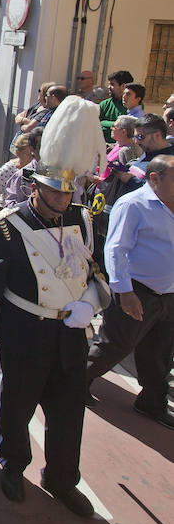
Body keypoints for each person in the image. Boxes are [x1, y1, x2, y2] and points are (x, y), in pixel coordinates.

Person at [0, 96, 109, 517]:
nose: (62, 200)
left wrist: (90, 303)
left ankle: (63, 478)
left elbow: (100, 276)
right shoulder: (8, 227)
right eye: (53, 191)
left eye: (68, 193)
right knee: (17, 406)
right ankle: (14, 465)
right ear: (36, 187)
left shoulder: (84, 219)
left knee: (69, 413)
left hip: (70, 335)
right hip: (24, 331)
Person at [85, 154, 174, 429]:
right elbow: (116, 249)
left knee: (160, 353)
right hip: (137, 291)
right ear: (155, 178)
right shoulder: (134, 205)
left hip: (169, 295)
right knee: (115, 345)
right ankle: (74, 381)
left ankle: (151, 402)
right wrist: (125, 292)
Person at [0, 134, 34, 216]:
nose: (32, 159)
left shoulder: (36, 169)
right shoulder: (8, 169)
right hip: (8, 214)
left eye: (33, 155)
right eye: (28, 155)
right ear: (18, 153)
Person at [99, 70, 133, 142]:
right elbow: (96, 124)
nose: (109, 87)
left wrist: (105, 123)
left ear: (123, 86)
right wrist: (115, 124)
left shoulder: (133, 104)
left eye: (112, 84)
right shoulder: (104, 104)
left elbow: (128, 127)